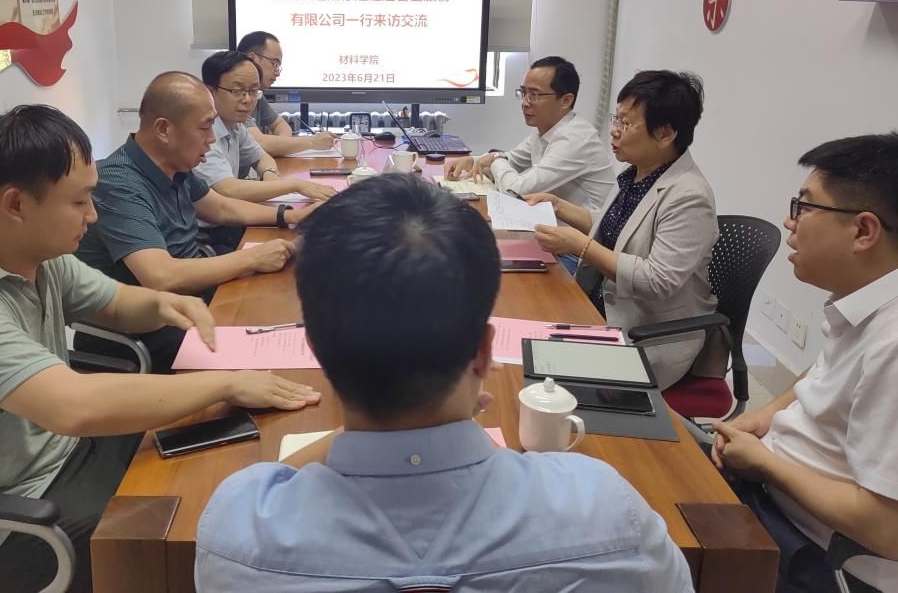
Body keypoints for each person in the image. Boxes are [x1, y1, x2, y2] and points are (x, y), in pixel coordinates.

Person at [0, 105, 320, 593]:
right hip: (2, 525)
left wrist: (166, 304)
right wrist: (227, 382)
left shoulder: (32, 254)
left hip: (62, 457)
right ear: (16, 204)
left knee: (220, 456)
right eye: (80, 202)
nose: (93, 215)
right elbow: (73, 407)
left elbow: (117, 304)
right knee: (199, 535)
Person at [195, 174, 693, 592]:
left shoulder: (239, 531)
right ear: (484, 352)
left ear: (315, 349)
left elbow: (270, 483)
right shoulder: (607, 513)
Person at [712, 133, 898, 593]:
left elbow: (886, 528)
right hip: (769, 494)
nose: (789, 221)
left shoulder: (893, 342)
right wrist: (762, 417)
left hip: (810, 554)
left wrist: (764, 463)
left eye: (803, 206)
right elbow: (821, 374)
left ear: (863, 231)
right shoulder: (866, 300)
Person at [76, 72, 321, 371]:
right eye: (205, 127)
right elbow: (161, 276)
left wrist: (288, 215)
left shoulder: (174, 164)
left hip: (191, 298)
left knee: (283, 307)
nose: (212, 138)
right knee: (268, 362)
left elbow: (221, 208)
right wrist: (253, 258)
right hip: (145, 327)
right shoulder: (118, 184)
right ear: (164, 129)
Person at [527, 70, 719, 389]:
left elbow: (656, 281)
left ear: (665, 134)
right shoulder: (637, 173)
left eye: (625, 123)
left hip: (646, 336)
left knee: (536, 373)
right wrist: (559, 206)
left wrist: (581, 246)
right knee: (527, 325)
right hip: (602, 307)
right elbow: (616, 227)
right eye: (615, 119)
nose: (614, 131)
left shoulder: (689, 197)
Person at [445, 55, 615, 211]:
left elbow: (516, 191)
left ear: (565, 100)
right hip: (557, 224)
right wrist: (473, 161)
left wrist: (495, 158)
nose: (525, 103)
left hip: (589, 231)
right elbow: (511, 159)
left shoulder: (575, 138)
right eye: (523, 93)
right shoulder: (545, 130)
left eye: (534, 95)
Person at [195, 50, 336, 206]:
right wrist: (295, 185)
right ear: (210, 91)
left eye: (253, 91)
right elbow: (228, 189)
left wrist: (270, 174)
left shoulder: (234, 125)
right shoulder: (201, 132)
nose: (248, 99)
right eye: (237, 91)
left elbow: (262, 157)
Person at [236, 30, 334, 155]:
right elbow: (258, 143)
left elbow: (280, 124)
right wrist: (313, 142)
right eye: (274, 64)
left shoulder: (257, 94)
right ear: (252, 59)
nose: (277, 73)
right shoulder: (235, 96)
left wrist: (280, 145)